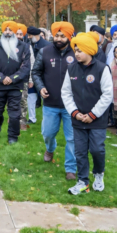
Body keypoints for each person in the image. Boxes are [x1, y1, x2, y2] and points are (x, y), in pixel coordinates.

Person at [62, 33, 113, 195]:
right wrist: (75, 113)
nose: (76, 53)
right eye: (75, 50)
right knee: (80, 151)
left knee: (97, 149)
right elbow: (66, 93)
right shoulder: (71, 69)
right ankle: (82, 181)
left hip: (97, 120)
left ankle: (98, 174)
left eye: (80, 50)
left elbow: (107, 95)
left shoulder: (102, 68)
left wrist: (92, 114)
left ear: (89, 51)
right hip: (78, 119)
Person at [32, 22, 77, 180]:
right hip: (50, 103)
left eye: (62, 36)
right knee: (48, 133)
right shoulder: (44, 51)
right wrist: (40, 87)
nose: (58, 38)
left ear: (69, 36)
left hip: (71, 106)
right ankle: (50, 149)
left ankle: (70, 168)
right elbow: (36, 72)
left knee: (72, 138)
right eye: (56, 35)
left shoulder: (77, 52)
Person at [0, 21, 31, 144]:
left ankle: (13, 136)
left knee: (14, 114)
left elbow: (25, 66)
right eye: (5, 30)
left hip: (15, 86)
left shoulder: (24, 47)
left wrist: (12, 78)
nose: (8, 32)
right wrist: (2, 77)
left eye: (10, 30)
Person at [27, 26, 49, 122]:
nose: (28, 37)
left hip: (44, 76)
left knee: (45, 97)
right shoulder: (28, 45)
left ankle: (47, 118)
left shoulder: (47, 46)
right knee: (31, 96)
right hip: (32, 75)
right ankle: (32, 118)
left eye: (30, 35)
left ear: (36, 35)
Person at [16, 24, 32, 131]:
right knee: (11, 100)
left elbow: (32, 63)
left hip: (23, 78)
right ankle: (13, 118)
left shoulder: (27, 47)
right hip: (10, 79)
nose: (18, 36)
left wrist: (30, 79)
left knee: (23, 100)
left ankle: (22, 121)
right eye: (16, 33)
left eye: (20, 34)